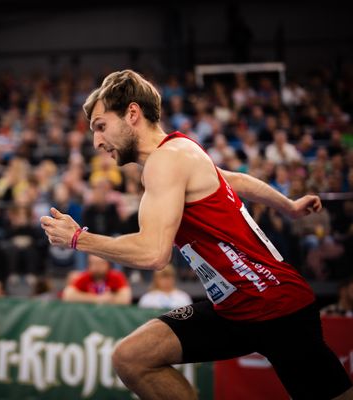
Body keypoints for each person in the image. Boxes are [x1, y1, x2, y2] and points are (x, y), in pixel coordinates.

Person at [40, 70, 352, 400]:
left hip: (274, 307)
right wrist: (287, 205)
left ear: (132, 114)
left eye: (101, 126)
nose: (96, 142)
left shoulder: (167, 160)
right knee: (132, 358)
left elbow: (153, 253)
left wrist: (78, 239)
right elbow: (235, 180)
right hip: (233, 309)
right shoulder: (179, 152)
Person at [61, 254, 132, 305]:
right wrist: (97, 299)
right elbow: (68, 295)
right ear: (89, 265)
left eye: (101, 263)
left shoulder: (116, 277)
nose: (98, 267)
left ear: (107, 264)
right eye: (94, 263)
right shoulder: (85, 277)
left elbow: (126, 298)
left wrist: (109, 300)